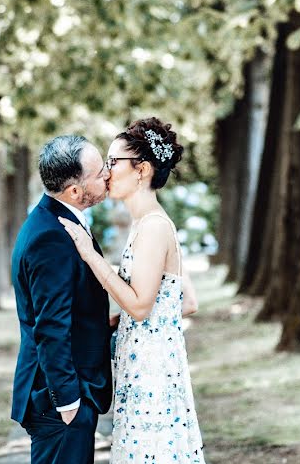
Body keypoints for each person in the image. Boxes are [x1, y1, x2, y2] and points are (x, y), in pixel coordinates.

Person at [59, 117, 206, 463]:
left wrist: (91, 256)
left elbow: (141, 306)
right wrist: (123, 320)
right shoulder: (146, 223)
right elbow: (186, 301)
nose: (106, 172)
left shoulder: (154, 227)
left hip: (152, 374)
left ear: (141, 170)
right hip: (143, 364)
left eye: (113, 162)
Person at [10, 135, 114, 463]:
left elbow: (70, 306)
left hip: (64, 392)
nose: (108, 175)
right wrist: (68, 402)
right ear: (74, 191)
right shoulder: (50, 238)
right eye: (99, 173)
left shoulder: (59, 221)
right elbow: (50, 326)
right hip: (58, 399)